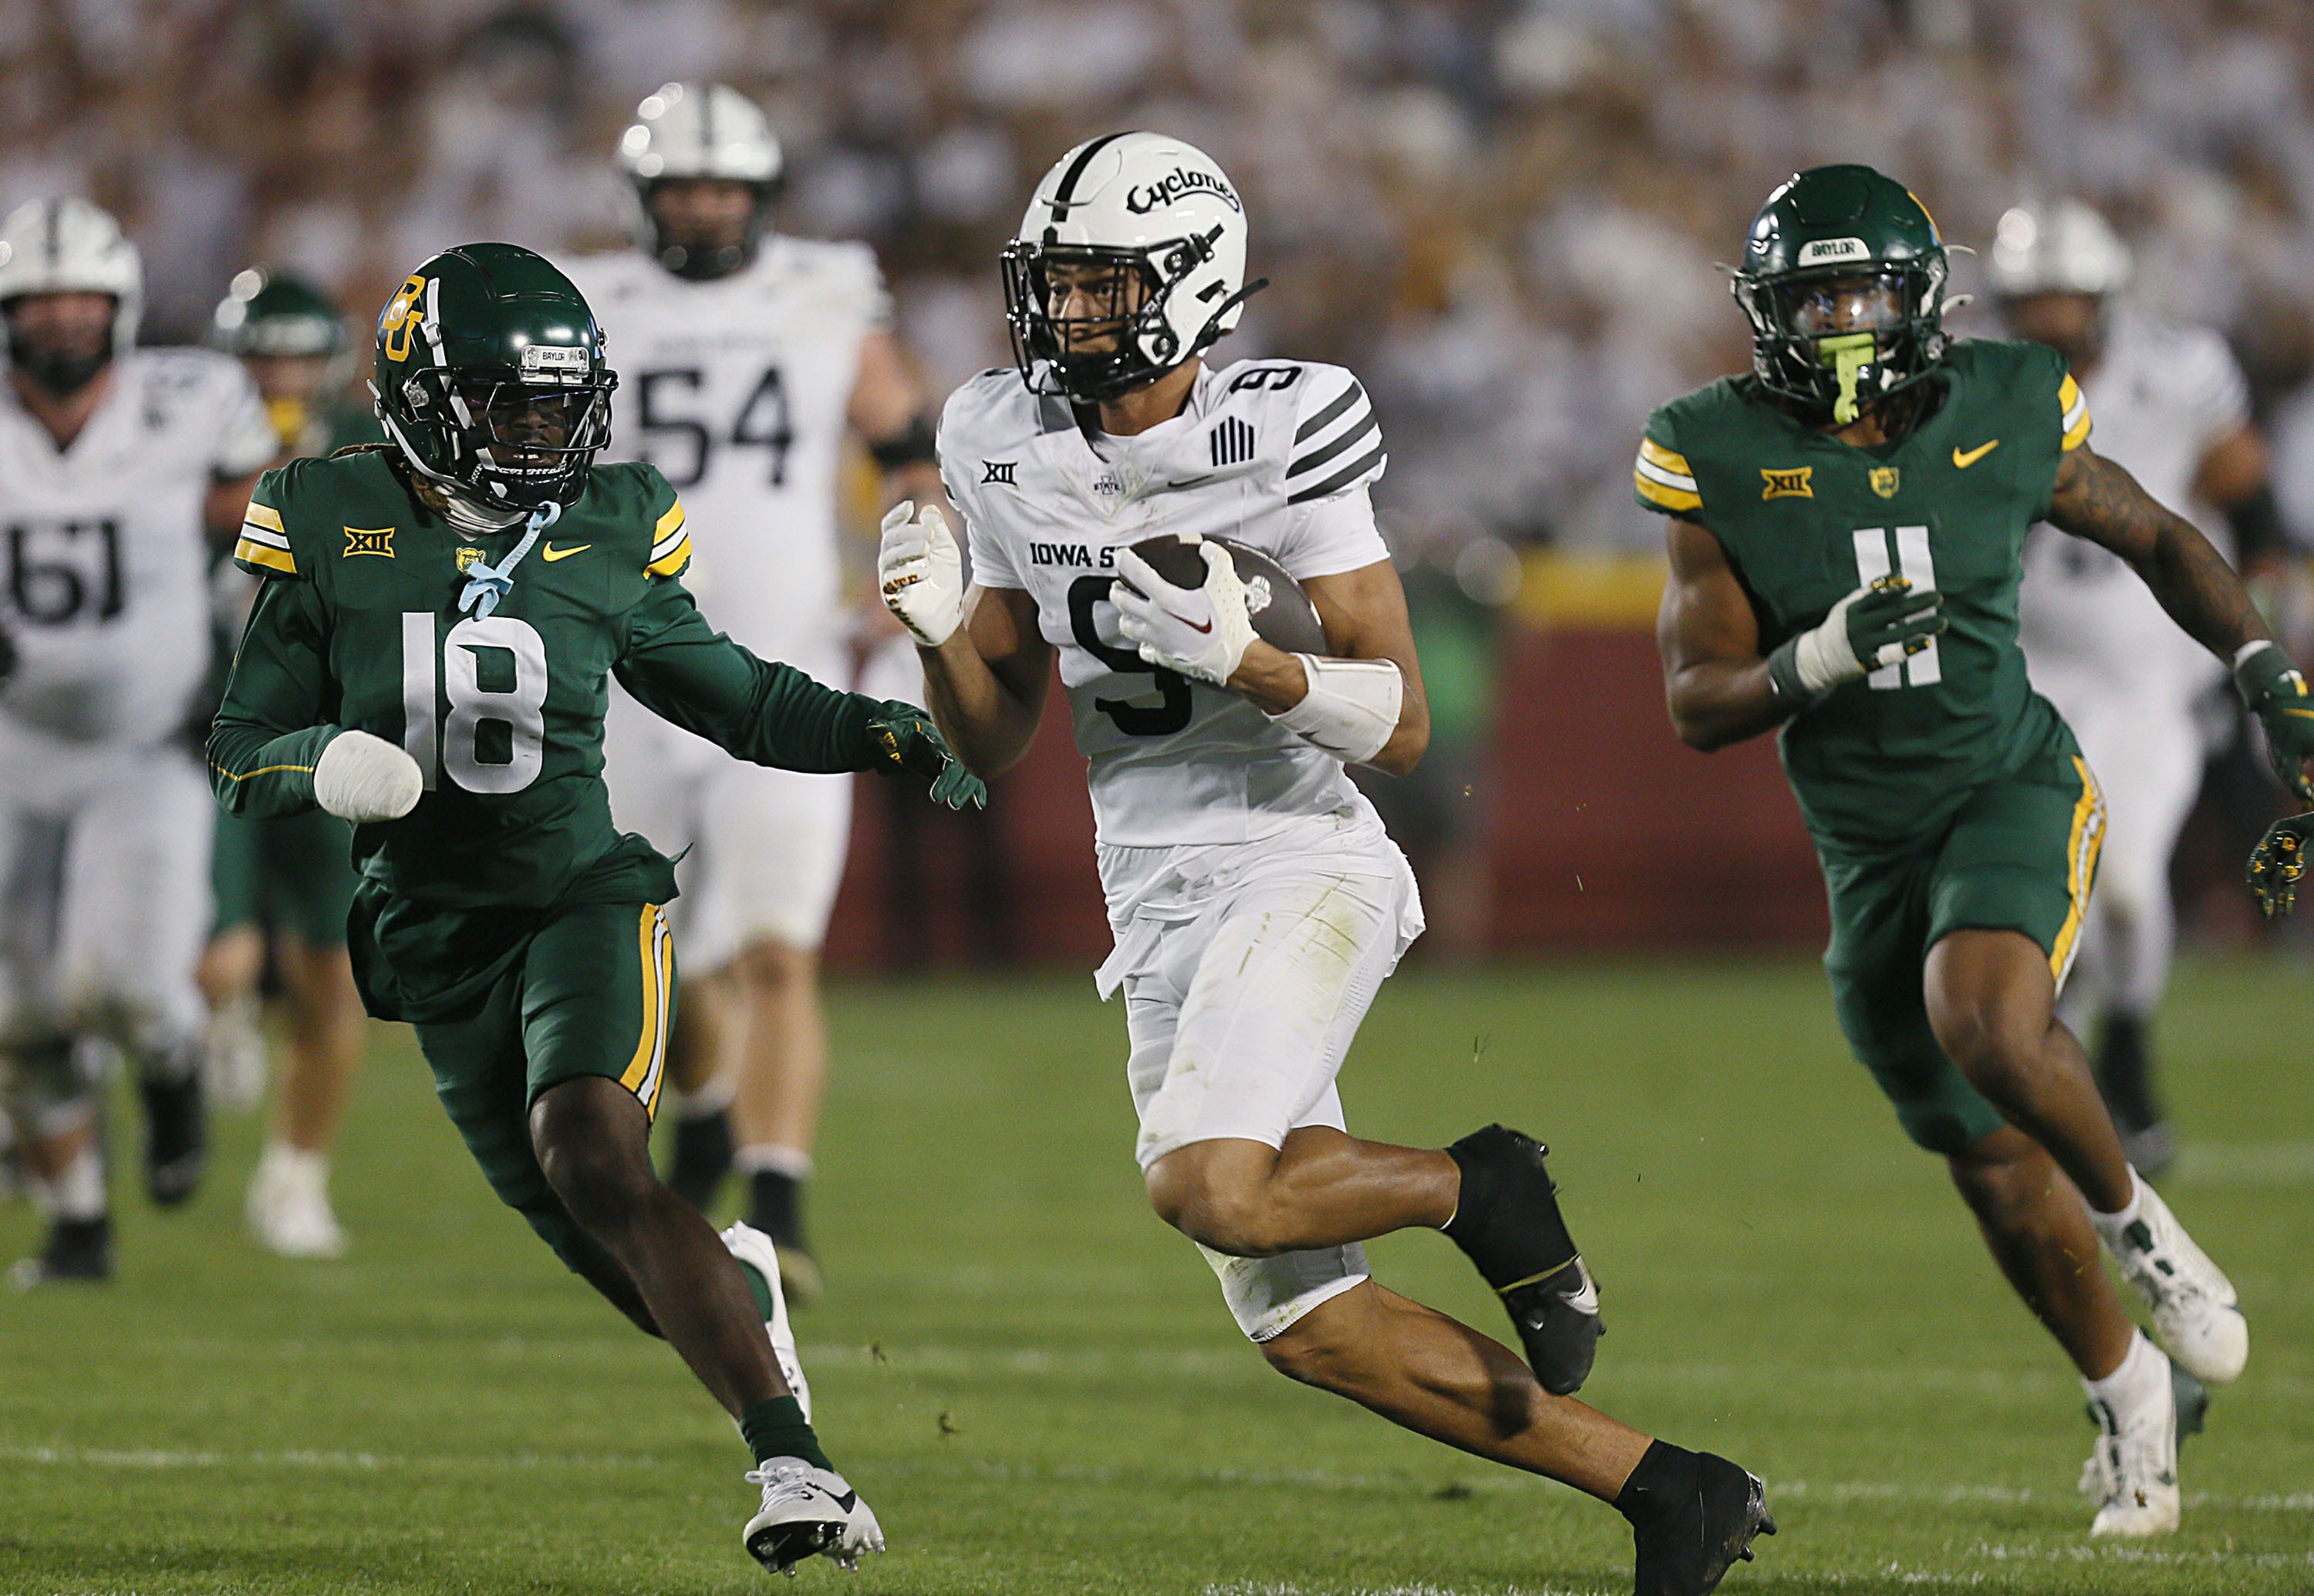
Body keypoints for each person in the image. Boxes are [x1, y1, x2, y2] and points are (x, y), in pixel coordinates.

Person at [881, 131, 1773, 1596]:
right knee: (1311, 1324)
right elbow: (989, 734)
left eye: (1099, 287)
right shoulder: (995, 434)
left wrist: (1251, 656)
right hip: (1150, 887)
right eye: (1053, 284)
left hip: (1297, 856)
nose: (1063, 317)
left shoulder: (1282, 427)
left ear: (1190, 285)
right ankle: (1672, 1487)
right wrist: (932, 643)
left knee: (1214, 1184)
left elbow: (1405, 721)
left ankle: (1473, 1182)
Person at [209, 241, 983, 1570]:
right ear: (426, 391)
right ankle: (731, 1286)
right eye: (516, 402)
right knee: (623, 1258)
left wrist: (892, 733)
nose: (547, 430)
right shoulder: (323, 508)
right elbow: (240, 746)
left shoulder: (607, 516)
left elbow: (734, 693)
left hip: (583, 891)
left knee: (594, 1147)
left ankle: (798, 1467)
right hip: (432, 939)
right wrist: (320, 761)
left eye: (564, 402)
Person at [1646, 165, 2295, 1537]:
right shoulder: (1708, 443)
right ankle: (2129, 1398)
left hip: (2011, 777)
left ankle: (2150, 1237)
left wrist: (2257, 664)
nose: (1838, 321)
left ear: (1921, 296)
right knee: (1992, 1160)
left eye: (1862, 291)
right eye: (1810, 295)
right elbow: (1697, 704)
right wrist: (1813, 657)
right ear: (1768, 307)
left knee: (1988, 1015)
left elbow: (2163, 535)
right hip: (1867, 846)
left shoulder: (2007, 400)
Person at [564, 83, 947, 1297]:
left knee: (781, 948)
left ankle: (780, 1204)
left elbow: (902, 442)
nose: (705, 207)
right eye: (682, 186)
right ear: (642, 196)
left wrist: (914, 551)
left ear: (763, 194)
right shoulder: (588, 305)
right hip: (631, 668)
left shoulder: (825, 290)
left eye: (725, 186)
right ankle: (715, 1108)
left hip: (786, 655)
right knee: (652, 956)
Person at [0, 197, 275, 1285]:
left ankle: (167, 1067)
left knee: (125, 983)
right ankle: (75, 1222)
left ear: (117, 311)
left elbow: (265, 519)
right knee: (16, 1016)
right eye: (40, 301)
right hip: (12, 744)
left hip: (148, 738)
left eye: (83, 300)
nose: (63, 319)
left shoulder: (189, 401)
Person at [1990, 200, 2285, 1176]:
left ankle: (2127, 1052)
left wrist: (2255, 626)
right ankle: (2059, 1050)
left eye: (2067, 297)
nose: (2050, 319)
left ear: (2107, 296)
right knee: (2042, 885)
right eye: (2032, 299)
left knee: (2124, 880)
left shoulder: (2179, 369)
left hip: (2153, 668)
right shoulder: (1971, 386)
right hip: (2027, 668)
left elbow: (2247, 494)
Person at [200, 269, 383, 1257]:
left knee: (329, 970)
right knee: (204, 952)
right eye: (266, 351)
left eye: (300, 353)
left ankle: (295, 1177)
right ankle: (210, 1023)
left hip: (329, 731)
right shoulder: (183, 434)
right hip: (208, 721)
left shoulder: (374, 441)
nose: (282, 371)